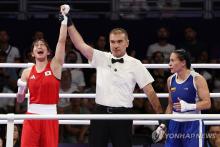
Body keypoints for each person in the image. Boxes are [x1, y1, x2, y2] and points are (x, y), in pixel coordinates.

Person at [61, 4, 163, 147]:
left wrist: (161, 117)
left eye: (120, 41)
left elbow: (150, 91)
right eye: (113, 42)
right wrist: (68, 20)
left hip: (123, 114)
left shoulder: (135, 64)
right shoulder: (102, 57)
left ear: (127, 43)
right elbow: (79, 44)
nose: (116, 45)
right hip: (100, 112)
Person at [16, 5, 69, 147]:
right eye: (36, 45)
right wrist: (20, 89)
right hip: (31, 117)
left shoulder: (55, 66)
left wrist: (64, 19)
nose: (39, 46)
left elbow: (61, 41)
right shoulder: (27, 72)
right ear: (32, 53)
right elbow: (20, 100)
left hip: (50, 117)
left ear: (48, 52)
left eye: (42, 44)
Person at [152, 49, 211, 147]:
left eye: (172, 60)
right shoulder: (170, 80)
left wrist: (188, 106)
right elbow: (170, 105)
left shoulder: (197, 79)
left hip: (193, 123)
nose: (169, 64)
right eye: (169, 61)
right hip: (174, 123)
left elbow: (207, 103)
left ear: (183, 62)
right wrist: (163, 125)